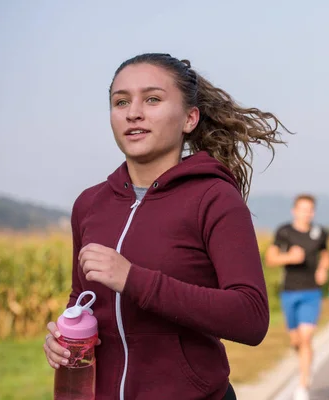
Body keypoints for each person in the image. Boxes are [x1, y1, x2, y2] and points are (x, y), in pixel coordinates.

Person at [42, 52, 293, 400]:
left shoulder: (214, 197)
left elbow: (250, 316)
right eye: (121, 102)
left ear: (190, 118)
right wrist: (65, 335)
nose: (133, 112)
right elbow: (82, 298)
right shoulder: (89, 204)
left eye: (153, 99)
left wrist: (135, 280)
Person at [264, 194, 329, 400]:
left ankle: (303, 383)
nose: (306, 213)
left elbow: (326, 255)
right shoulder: (284, 232)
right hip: (289, 291)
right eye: (302, 209)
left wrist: (323, 269)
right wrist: (289, 257)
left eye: (310, 209)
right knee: (296, 341)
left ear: (314, 212)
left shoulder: (320, 233)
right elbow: (270, 259)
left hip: (312, 292)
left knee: (306, 337)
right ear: (294, 211)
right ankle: (305, 360)